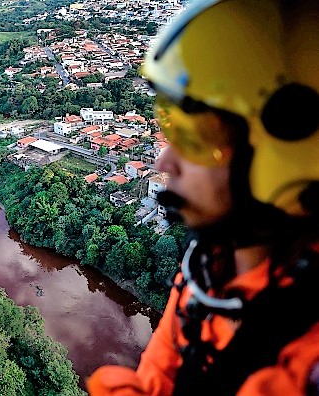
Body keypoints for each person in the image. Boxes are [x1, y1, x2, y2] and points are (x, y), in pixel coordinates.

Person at [86, 0, 319, 395]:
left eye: (195, 138)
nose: (165, 160)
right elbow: (158, 375)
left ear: (285, 153)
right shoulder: (210, 271)